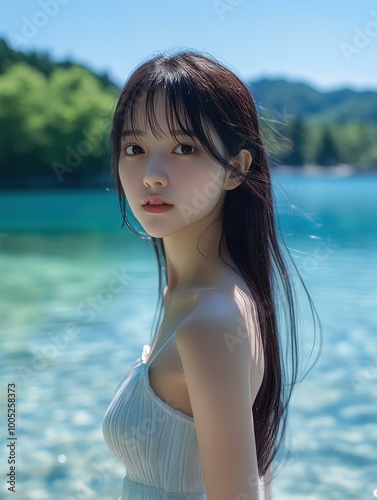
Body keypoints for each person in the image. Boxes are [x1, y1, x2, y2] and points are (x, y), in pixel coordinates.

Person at [102, 50, 320, 499]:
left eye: (184, 148)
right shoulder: (194, 295)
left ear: (237, 169)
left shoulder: (209, 321)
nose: (152, 175)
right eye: (134, 148)